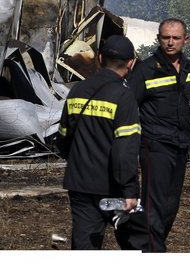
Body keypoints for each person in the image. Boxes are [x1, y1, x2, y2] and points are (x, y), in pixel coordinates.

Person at [118, 18, 190, 252]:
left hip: (181, 144)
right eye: (165, 37)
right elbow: (128, 105)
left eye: (175, 38)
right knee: (154, 205)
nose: (170, 42)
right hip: (155, 146)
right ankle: (154, 251)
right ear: (158, 38)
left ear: (186, 40)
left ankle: (130, 233)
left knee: (171, 206)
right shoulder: (145, 70)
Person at [57, 34, 141, 250]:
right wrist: (130, 191)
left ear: (100, 59)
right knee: (135, 242)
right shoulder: (124, 97)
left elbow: (63, 138)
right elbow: (124, 151)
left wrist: (78, 160)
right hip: (112, 188)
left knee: (85, 247)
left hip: (80, 184)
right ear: (130, 63)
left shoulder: (77, 90)